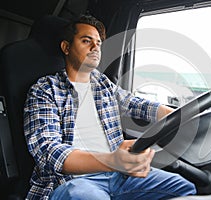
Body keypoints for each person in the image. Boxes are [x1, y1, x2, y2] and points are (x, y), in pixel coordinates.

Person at [23, 14, 196, 199]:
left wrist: (182, 115)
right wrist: (112, 161)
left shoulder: (102, 83)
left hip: (118, 175)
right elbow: (49, 151)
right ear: (66, 47)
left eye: (98, 43)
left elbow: (136, 104)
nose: (95, 47)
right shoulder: (45, 89)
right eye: (86, 41)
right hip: (72, 181)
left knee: (184, 188)